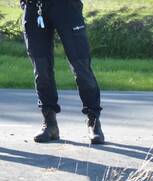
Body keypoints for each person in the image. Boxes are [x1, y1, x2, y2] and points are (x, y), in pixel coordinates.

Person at [21, 0, 104, 144]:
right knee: (41, 68)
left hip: (66, 6)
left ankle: (94, 122)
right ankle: (50, 123)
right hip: (34, 6)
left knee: (81, 65)